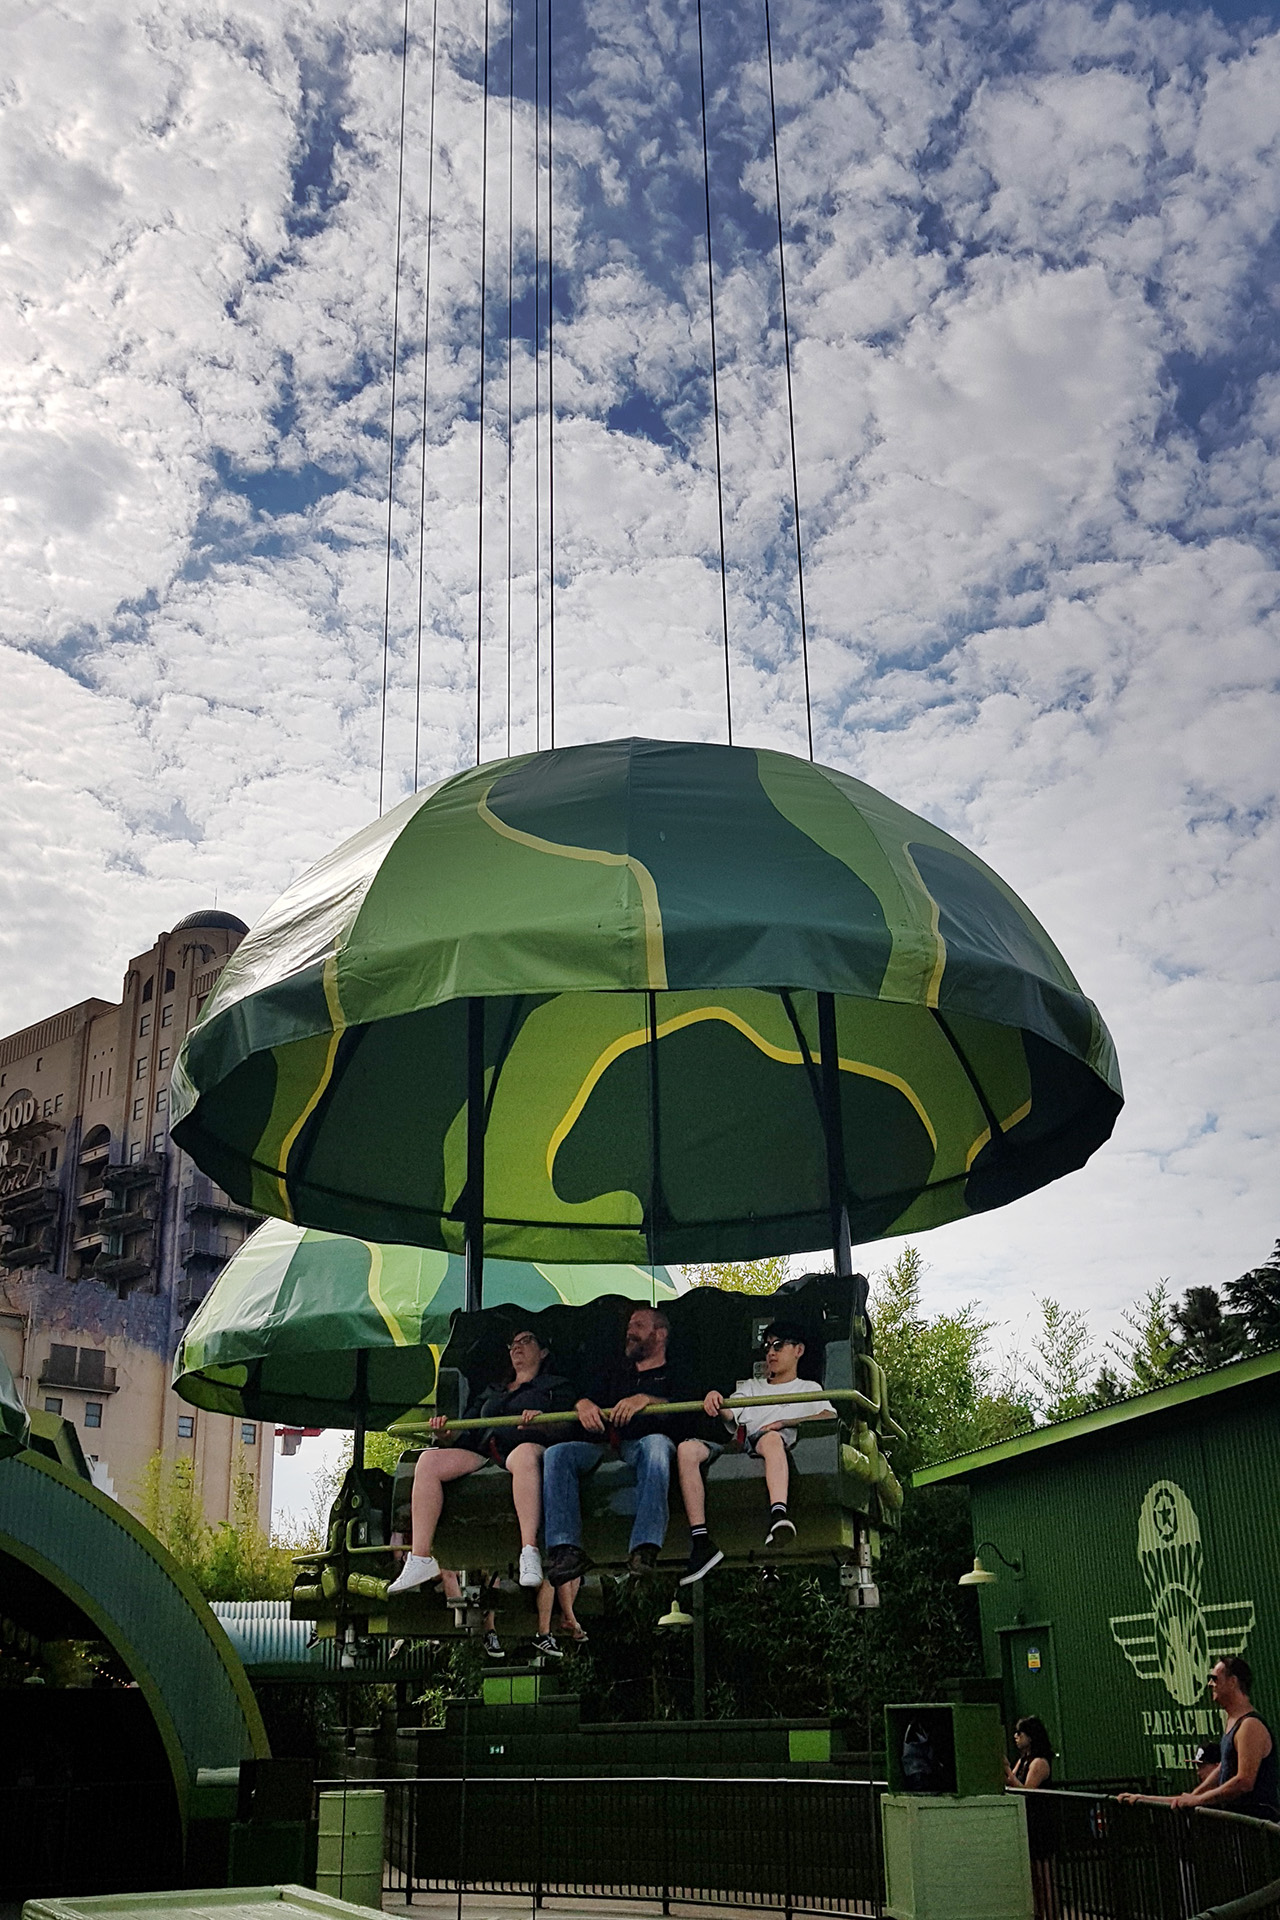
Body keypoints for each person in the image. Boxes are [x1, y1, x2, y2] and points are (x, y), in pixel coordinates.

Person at [388, 1329, 574, 1596]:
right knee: (428, 1461)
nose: (517, 1348)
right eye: (513, 1343)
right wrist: (447, 1433)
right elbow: (468, 1428)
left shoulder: (556, 1387)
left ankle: (529, 1550)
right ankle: (420, 1557)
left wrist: (543, 1423)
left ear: (543, 1351)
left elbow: (568, 1427)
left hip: (526, 1448)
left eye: (526, 1341)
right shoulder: (492, 1390)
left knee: (524, 1454)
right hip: (486, 1451)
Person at [542, 1306, 697, 1586]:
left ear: (660, 1334)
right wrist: (582, 1405)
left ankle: (645, 1548)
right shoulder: (614, 1371)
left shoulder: (678, 1371)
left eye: (638, 1325)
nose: (630, 1332)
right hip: (605, 1446)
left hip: (648, 1447)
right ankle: (566, 1549)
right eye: (629, 1326)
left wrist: (647, 1400)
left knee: (656, 1445)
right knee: (557, 1453)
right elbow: (581, 1396)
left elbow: (688, 1410)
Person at [676, 1319, 835, 1584]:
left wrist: (785, 1422)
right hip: (742, 1444)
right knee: (686, 1450)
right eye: (768, 1346)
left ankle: (778, 1515)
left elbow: (828, 1415)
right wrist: (716, 1399)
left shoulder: (809, 1389)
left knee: (771, 1439)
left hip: (771, 1442)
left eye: (778, 1345)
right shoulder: (751, 1386)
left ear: (798, 1350)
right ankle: (701, 1541)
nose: (771, 1352)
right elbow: (731, 1411)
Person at [1173, 1658, 1278, 1820]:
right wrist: (1194, 1795)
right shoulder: (1232, 1722)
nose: (1210, 1684)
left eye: (1215, 1679)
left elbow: (1244, 1782)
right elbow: (1224, 1767)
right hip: (1238, 1826)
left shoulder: (1250, 1725)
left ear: (1232, 1682)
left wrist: (1198, 1800)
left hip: (1257, 1826)